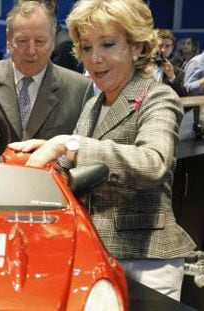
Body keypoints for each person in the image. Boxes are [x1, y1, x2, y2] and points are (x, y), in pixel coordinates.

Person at [10, 0, 196, 301]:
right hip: (96, 255)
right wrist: (43, 158)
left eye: (107, 44)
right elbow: (79, 171)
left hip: (146, 261)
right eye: (86, 48)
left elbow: (154, 163)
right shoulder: (93, 106)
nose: (94, 58)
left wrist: (68, 144)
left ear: (136, 46)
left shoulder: (158, 97)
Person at [0, 1, 93, 142]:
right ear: (8, 39)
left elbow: (87, 146)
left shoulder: (80, 90)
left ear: (52, 41)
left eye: (40, 42)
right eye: (22, 41)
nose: (31, 51)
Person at [19, 0, 83, 73]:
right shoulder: (19, 39)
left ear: (51, 5)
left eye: (30, 4)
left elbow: (61, 83)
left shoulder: (63, 45)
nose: (23, 11)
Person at [154, 29, 187, 97]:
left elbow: (182, 96)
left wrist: (172, 77)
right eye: (160, 45)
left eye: (167, 46)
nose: (163, 50)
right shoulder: (143, 67)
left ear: (172, 48)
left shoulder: (178, 73)